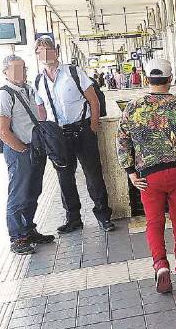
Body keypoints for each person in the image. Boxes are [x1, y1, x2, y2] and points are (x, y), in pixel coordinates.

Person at [117, 58, 176, 294]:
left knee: (154, 222)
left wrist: (130, 172)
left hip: (148, 176)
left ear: (146, 80)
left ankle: (160, 264)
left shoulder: (133, 107)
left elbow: (123, 141)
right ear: (170, 79)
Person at [33, 36, 116, 233]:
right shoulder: (38, 81)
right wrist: (46, 133)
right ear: (36, 56)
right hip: (58, 136)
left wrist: (93, 125)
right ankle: (73, 218)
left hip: (82, 130)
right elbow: (41, 109)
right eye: (40, 51)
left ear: (56, 51)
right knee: (65, 178)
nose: (45, 54)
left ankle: (103, 216)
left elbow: (93, 100)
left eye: (48, 49)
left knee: (93, 174)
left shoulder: (73, 72)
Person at [0, 55, 56, 255]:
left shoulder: (28, 89)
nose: (21, 73)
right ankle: (17, 238)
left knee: (33, 192)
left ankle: (29, 230)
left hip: (34, 148)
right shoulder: (5, 95)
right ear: (5, 72)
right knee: (19, 195)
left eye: (23, 68)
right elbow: (2, 131)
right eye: (15, 69)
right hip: (19, 152)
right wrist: (22, 149)